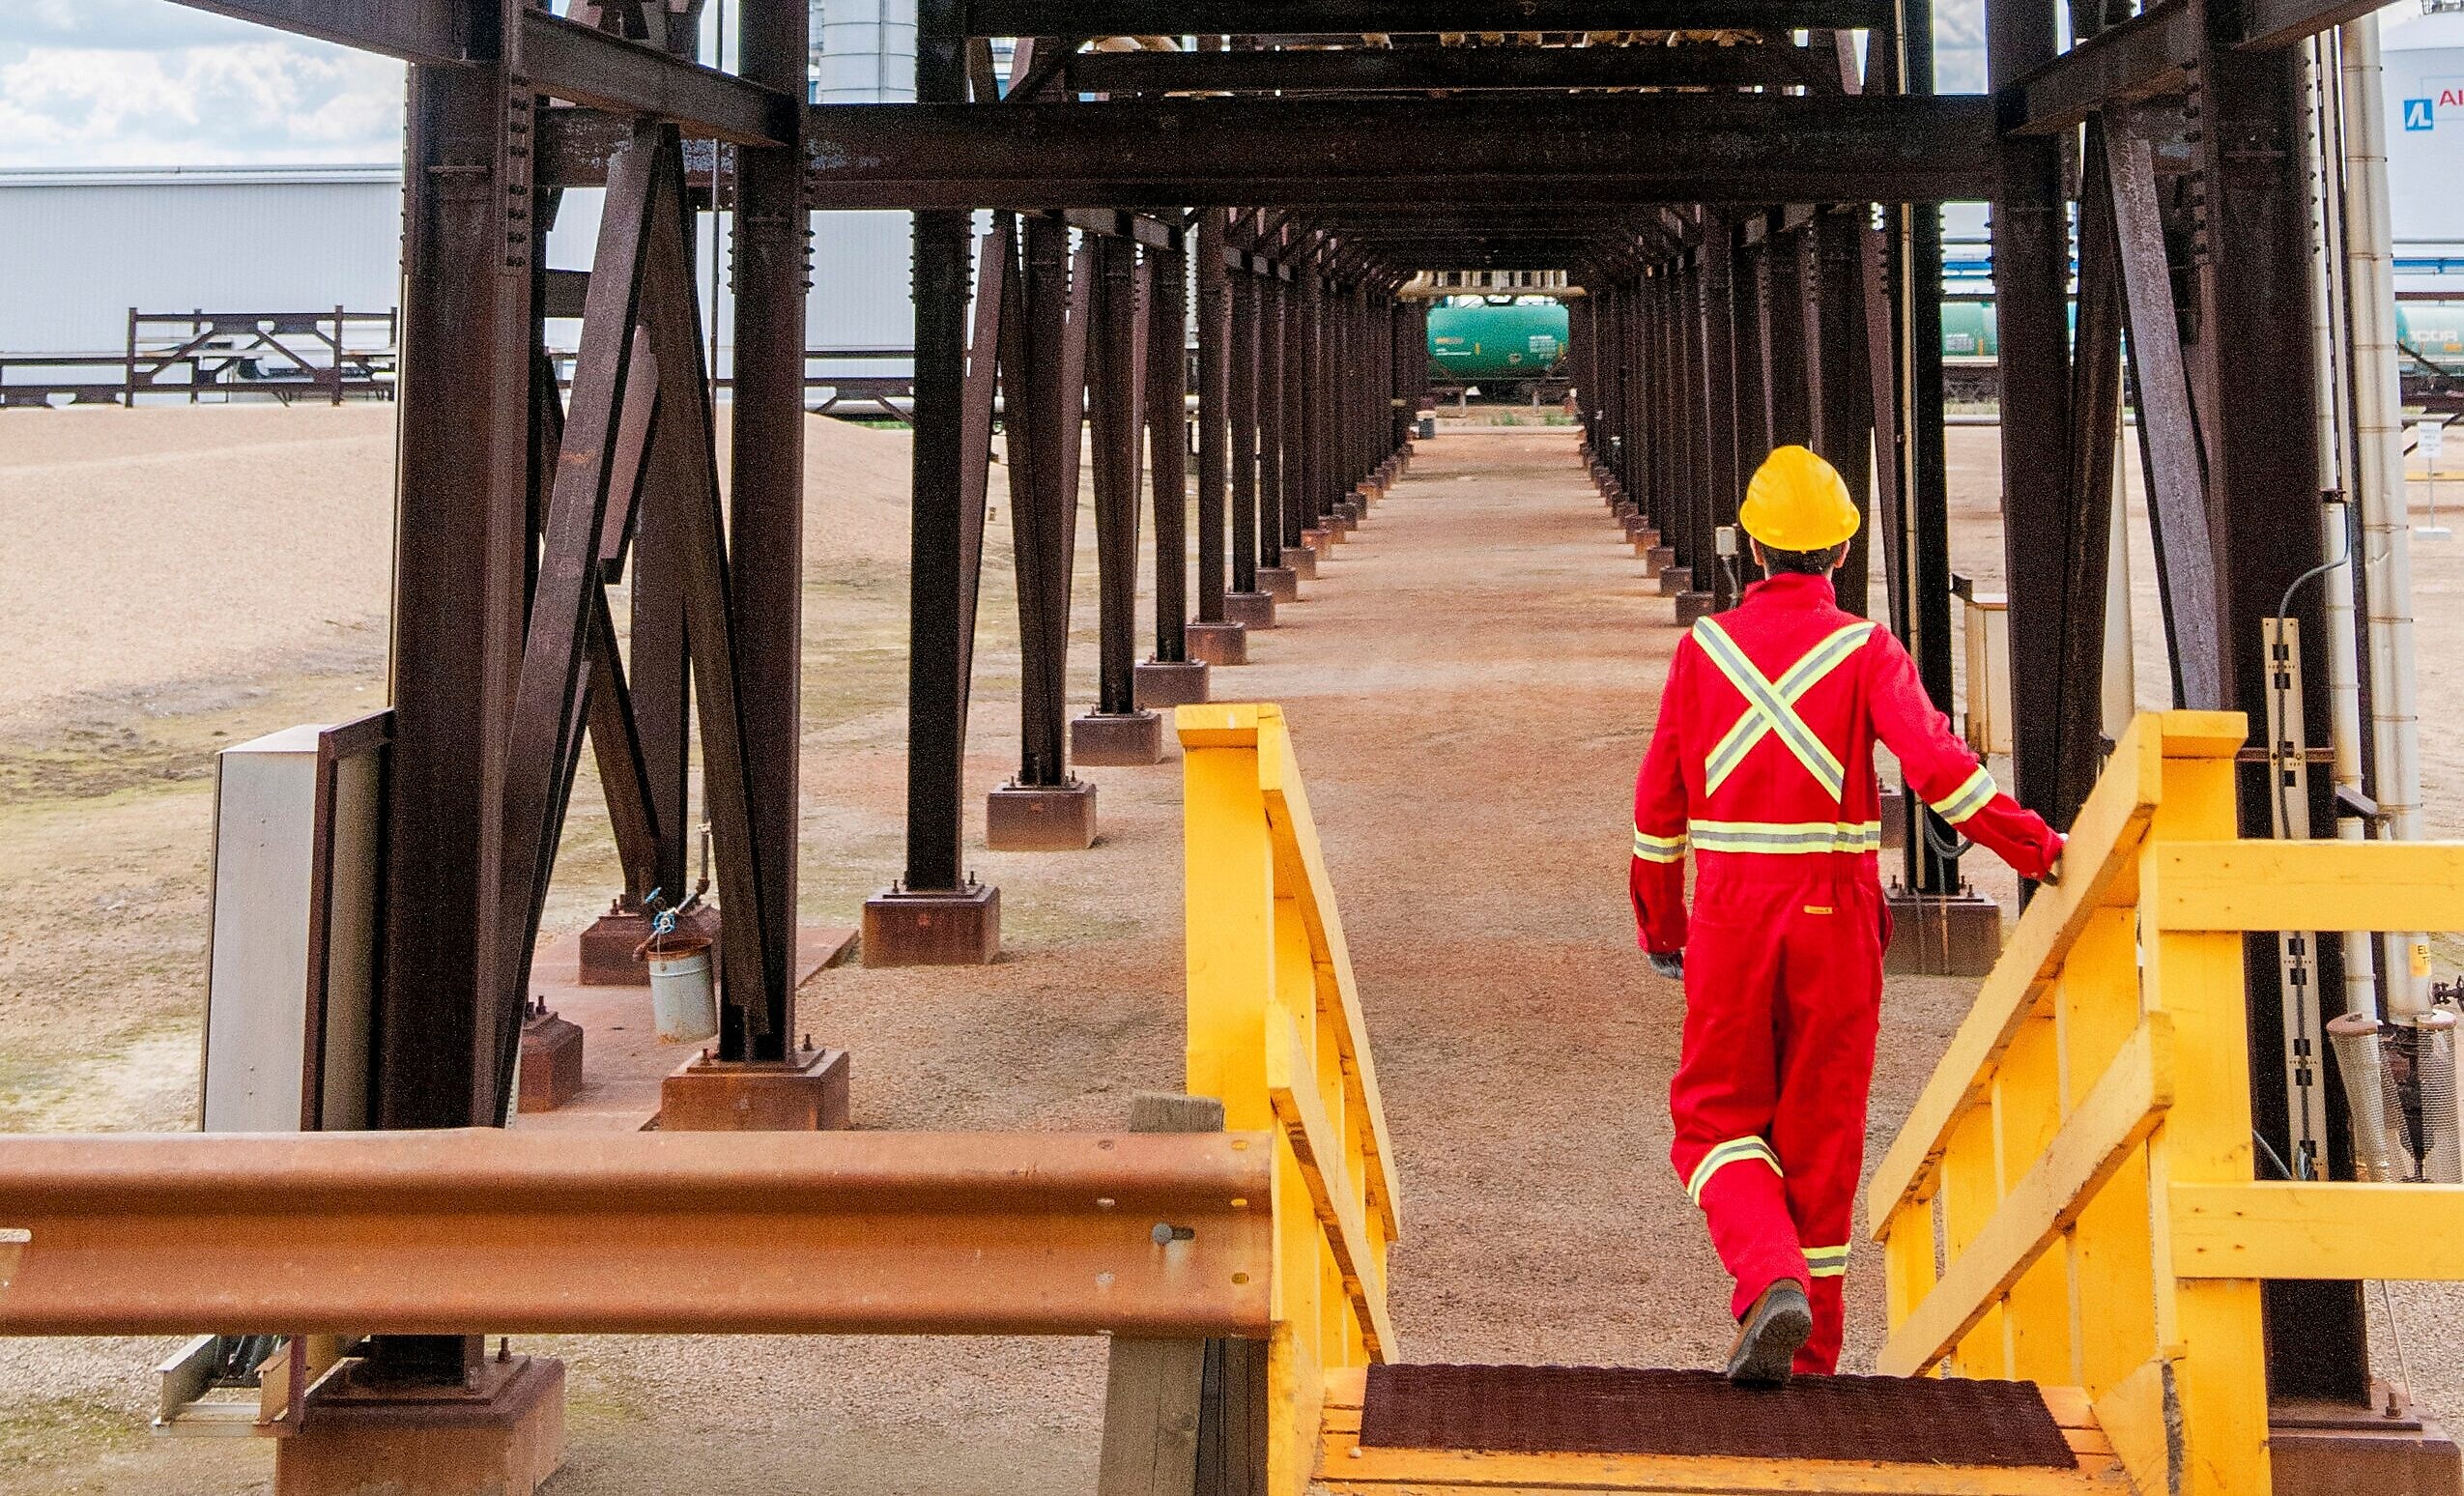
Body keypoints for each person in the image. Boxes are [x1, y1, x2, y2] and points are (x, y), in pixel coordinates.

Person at [1628, 445, 2063, 1386]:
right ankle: (1812, 1371)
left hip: (1735, 923)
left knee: (1711, 1124)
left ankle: (1768, 1275)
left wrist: (1662, 929)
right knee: (1821, 1149)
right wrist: (2037, 847)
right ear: (1838, 556)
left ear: (1750, 547)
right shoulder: (1869, 652)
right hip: (1836, 922)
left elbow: (1659, 815)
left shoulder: (1702, 655)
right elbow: (1942, 773)